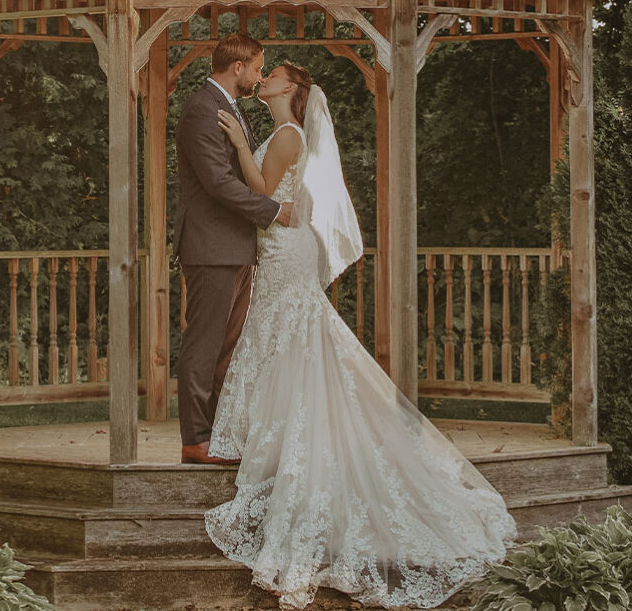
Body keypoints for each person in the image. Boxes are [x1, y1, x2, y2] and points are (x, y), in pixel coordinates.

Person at [207, 62, 517, 609]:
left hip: (284, 249)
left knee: (286, 331)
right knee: (285, 333)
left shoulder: (284, 134)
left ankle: (292, 428)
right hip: (279, 247)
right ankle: (286, 422)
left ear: (291, 89)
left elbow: (260, 189)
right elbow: (276, 199)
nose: (266, 78)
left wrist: (234, 145)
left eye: (273, 74)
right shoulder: (284, 133)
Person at [174, 34, 293, 465]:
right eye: (259, 68)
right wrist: (274, 211)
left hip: (237, 248)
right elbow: (218, 183)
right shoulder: (201, 110)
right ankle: (196, 441)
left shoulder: (229, 108)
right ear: (238, 67)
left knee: (227, 350)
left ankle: (220, 435)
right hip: (210, 248)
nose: (260, 76)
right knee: (203, 347)